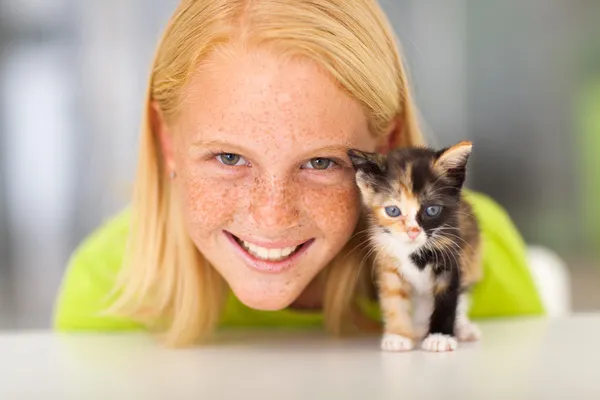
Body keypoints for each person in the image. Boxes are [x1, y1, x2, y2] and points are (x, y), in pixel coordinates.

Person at [53, 0, 544, 347]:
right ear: (167, 143)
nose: (271, 216)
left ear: (387, 151)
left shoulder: (475, 250)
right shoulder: (108, 285)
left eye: (320, 162)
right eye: (228, 158)